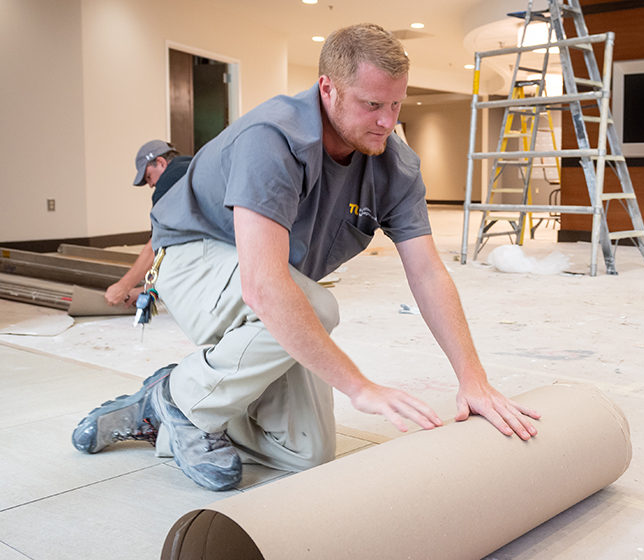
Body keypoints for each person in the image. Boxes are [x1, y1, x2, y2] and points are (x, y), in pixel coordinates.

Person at [72, 24, 540, 491]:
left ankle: (171, 398)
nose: (387, 121)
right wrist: (361, 387)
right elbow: (263, 286)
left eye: (395, 104)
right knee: (315, 305)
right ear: (327, 89)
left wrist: (473, 380)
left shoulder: (394, 166)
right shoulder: (274, 139)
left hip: (270, 277)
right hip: (190, 257)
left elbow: (428, 272)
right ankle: (181, 400)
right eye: (372, 105)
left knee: (308, 453)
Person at [104, 141, 191, 308]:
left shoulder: (169, 180)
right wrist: (149, 288)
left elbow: (157, 244)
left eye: (149, 177)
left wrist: (124, 286)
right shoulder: (191, 166)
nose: (151, 185)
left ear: (161, 162)